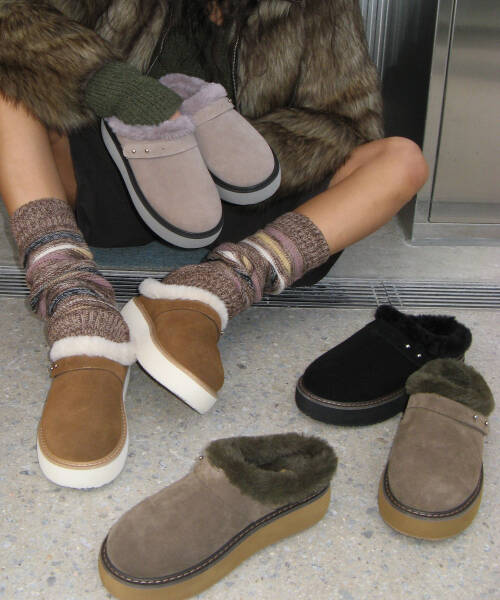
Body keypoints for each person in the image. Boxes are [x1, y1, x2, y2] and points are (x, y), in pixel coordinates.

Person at [0, 0, 428, 489]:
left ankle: (209, 290)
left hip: (246, 193)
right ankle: (77, 308)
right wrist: (118, 89)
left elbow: (347, 123)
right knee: (9, 88)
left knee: (402, 160)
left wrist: (225, 147)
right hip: (123, 171)